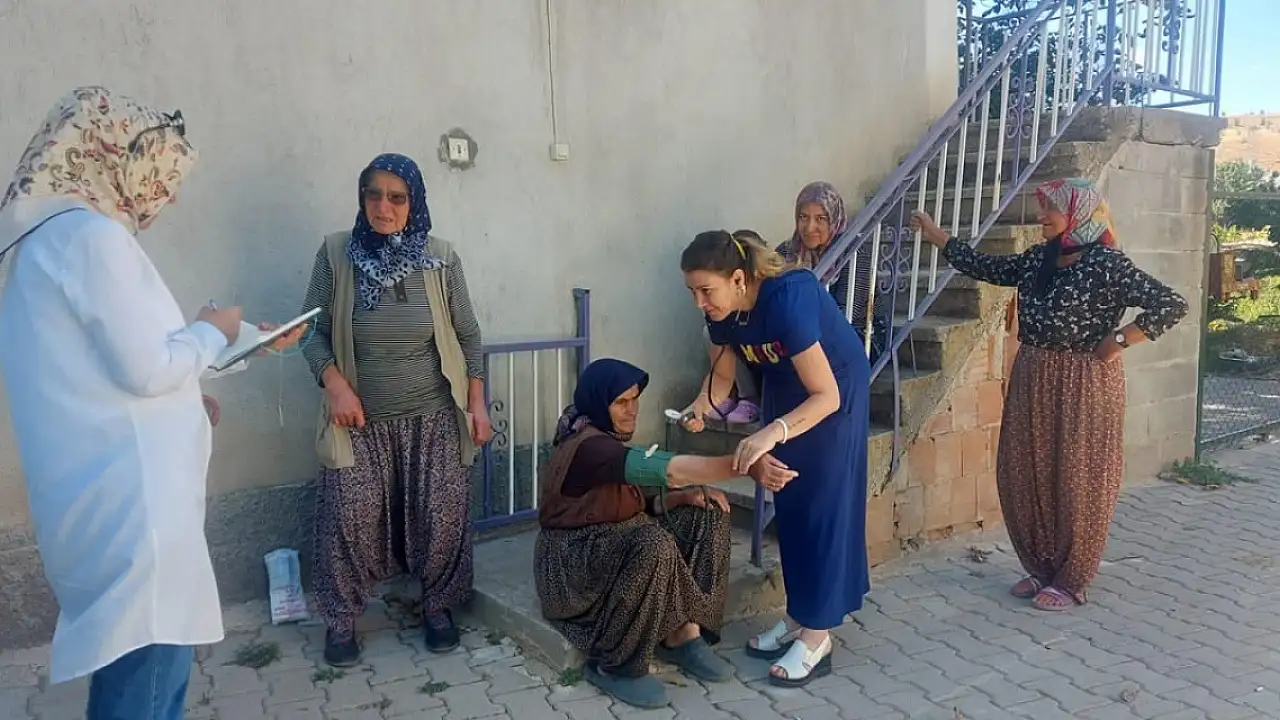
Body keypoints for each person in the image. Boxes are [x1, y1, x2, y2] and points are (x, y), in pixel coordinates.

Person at [0, 86, 303, 720]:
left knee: (131, 668)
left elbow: (113, 371)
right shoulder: (90, 238)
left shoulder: (43, 244)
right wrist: (213, 330)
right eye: (161, 176)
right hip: (135, 511)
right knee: (150, 676)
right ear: (118, 158)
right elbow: (150, 367)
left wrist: (232, 348)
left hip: (97, 500)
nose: (167, 198)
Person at [909, 177, 1189, 611]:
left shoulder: (1107, 264)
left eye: (1051, 208)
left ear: (1078, 214)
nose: (1042, 215)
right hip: (1034, 373)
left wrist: (1119, 340)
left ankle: (1073, 577)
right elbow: (988, 268)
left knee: (1077, 476)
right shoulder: (1041, 258)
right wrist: (938, 238)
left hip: (1084, 380)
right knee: (1025, 470)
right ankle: (1042, 566)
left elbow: (1170, 304)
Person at [300, 153, 491, 666]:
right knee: (349, 517)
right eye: (373, 194)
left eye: (397, 197)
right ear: (362, 198)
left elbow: (469, 335)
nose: (383, 207)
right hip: (359, 421)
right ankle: (341, 619)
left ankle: (438, 607)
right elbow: (310, 331)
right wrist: (335, 386)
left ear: (415, 202)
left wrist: (477, 404)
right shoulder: (336, 254)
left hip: (433, 418)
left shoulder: (441, 258)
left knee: (441, 513)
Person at [534, 358, 798, 709]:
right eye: (621, 403)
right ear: (598, 403)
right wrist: (745, 465)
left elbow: (631, 504)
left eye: (634, 399)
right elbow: (670, 472)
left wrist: (681, 498)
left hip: (612, 540)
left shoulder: (605, 437)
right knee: (652, 543)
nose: (632, 410)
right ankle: (617, 665)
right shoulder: (589, 446)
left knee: (707, 514)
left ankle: (685, 632)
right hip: (572, 567)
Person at [680, 230, 872, 687]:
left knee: (823, 507)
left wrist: (772, 431)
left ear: (739, 278)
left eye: (706, 290)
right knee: (791, 504)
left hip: (834, 392)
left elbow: (826, 396)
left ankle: (818, 636)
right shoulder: (723, 316)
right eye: (692, 292)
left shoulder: (788, 297)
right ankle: (798, 617)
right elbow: (720, 380)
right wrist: (698, 409)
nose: (699, 303)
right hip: (787, 391)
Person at [777, 181, 889, 361]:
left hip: (859, 336)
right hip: (801, 335)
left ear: (834, 220)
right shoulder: (787, 251)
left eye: (820, 219)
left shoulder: (853, 253)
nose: (809, 227)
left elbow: (844, 315)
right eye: (803, 217)